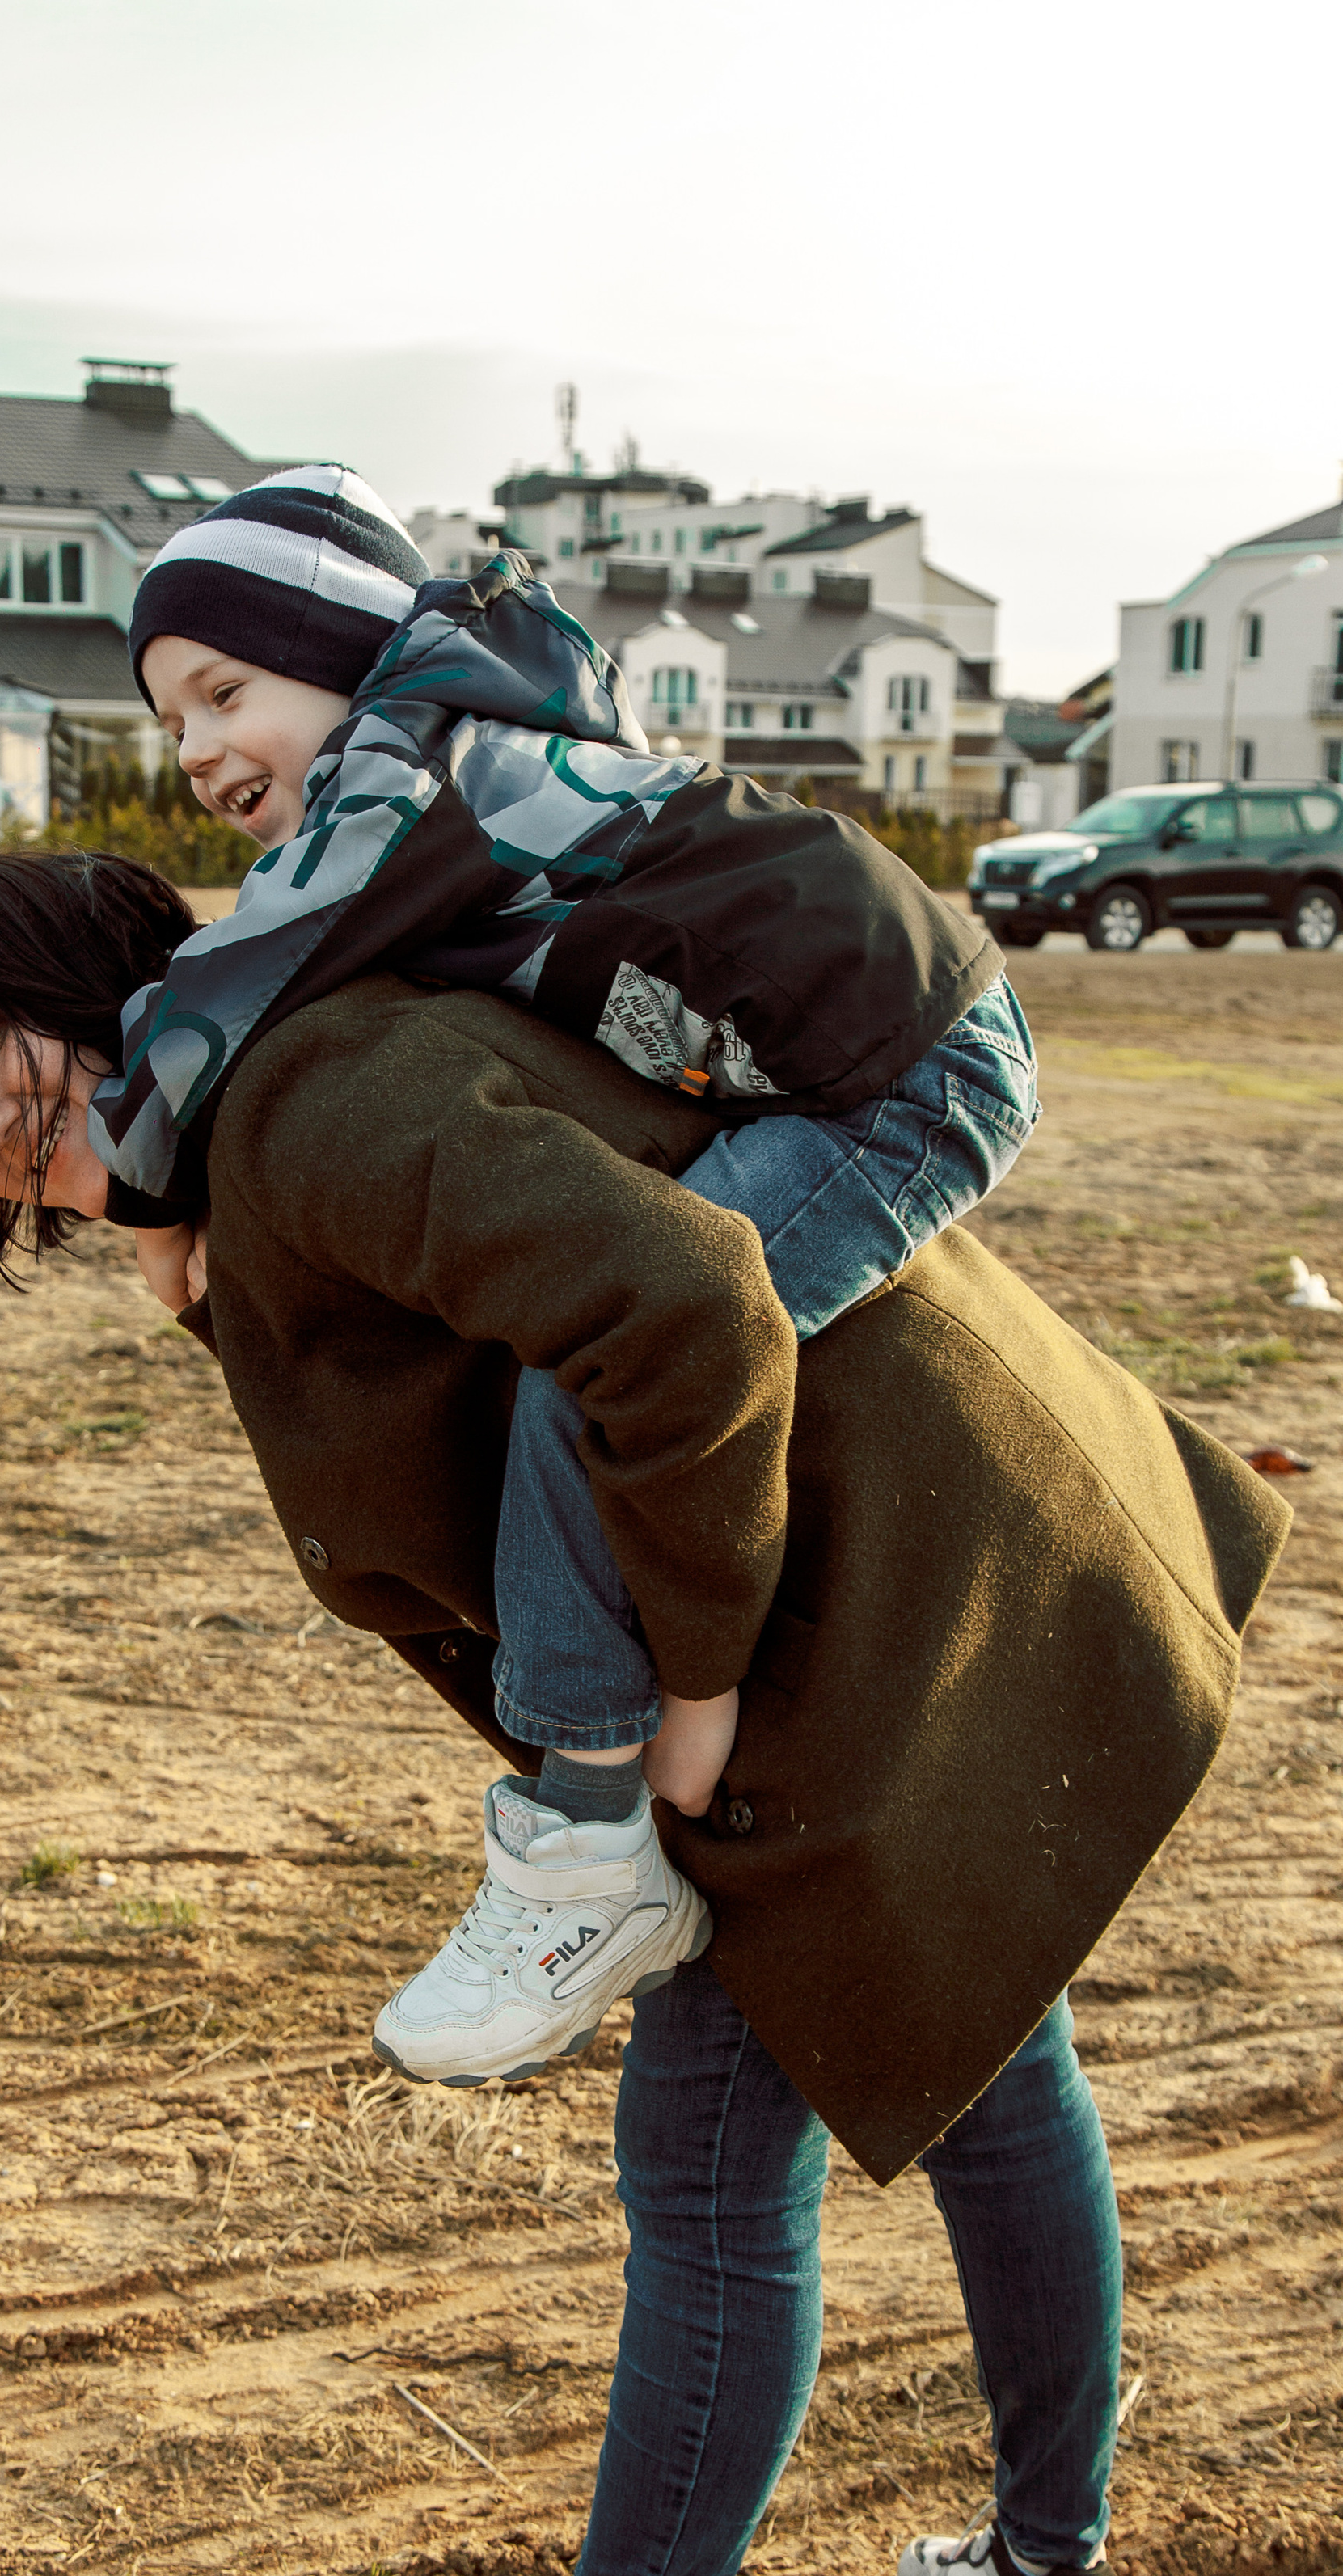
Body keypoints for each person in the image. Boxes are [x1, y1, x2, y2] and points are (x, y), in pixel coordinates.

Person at [0, 851, 1289, 2576]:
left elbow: (678, 1307)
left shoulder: (316, 1097)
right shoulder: (268, 1130)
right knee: (995, 2058)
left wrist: (658, 1722)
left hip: (795, 1662)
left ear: (70, 992)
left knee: (711, 2192)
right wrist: (187, 1234)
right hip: (894, 1586)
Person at [98, 465, 1040, 2092]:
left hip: (899, 1072)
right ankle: (636, 1766)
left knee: (599, 1376)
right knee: (609, 1346)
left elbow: (245, 965)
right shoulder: (445, 755)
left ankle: (583, 1840)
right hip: (849, 1043)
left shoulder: (415, 773)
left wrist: (143, 1188)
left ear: (341, 650)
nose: (194, 754)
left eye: (223, 693)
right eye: (168, 721)